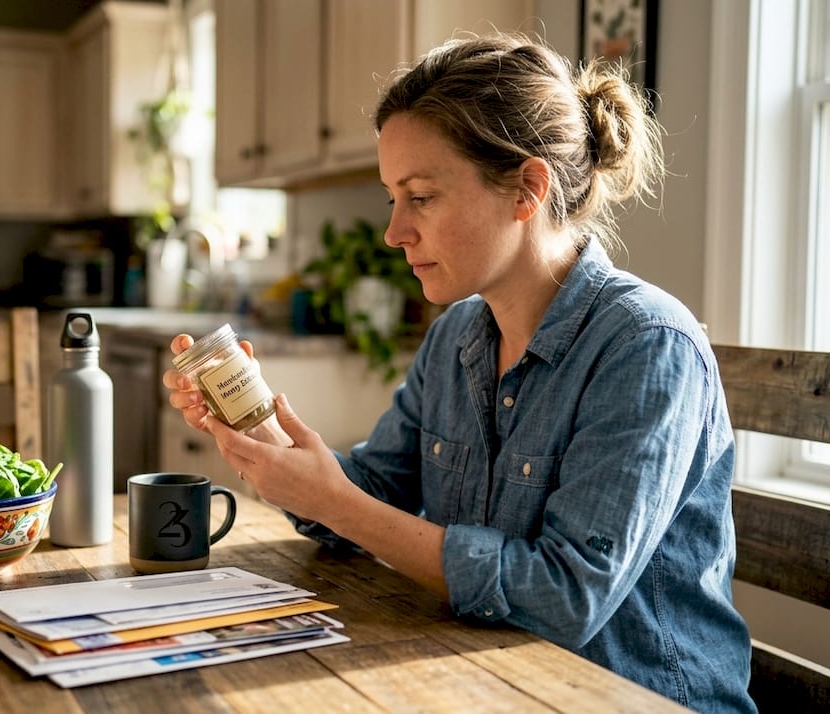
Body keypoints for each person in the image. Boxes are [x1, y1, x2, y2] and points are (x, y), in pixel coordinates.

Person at [163, 32, 754, 713]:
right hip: (484, 682)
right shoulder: (457, 338)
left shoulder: (647, 346)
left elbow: (565, 599)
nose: (394, 232)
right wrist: (253, 423)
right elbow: (371, 495)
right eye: (393, 198)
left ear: (527, 190)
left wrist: (336, 502)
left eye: (421, 196)